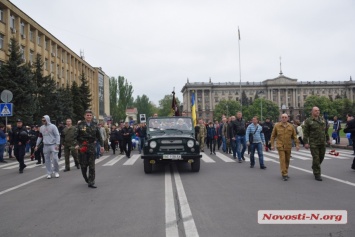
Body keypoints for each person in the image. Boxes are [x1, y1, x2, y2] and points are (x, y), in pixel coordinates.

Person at [74, 110, 104, 188]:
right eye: (87, 115)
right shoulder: (80, 125)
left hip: (91, 146)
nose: (89, 117)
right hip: (82, 146)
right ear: (84, 116)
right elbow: (75, 137)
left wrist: (102, 146)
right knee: (83, 165)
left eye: (90, 115)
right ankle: (86, 178)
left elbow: (99, 136)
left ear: (92, 116)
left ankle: (91, 182)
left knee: (92, 165)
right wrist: (76, 144)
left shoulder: (94, 125)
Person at [303, 107, 330, 181]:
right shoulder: (308, 121)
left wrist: (328, 139)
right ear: (312, 112)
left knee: (321, 157)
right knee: (316, 158)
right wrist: (305, 142)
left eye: (318, 110)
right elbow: (305, 132)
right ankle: (317, 174)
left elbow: (325, 131)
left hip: (322, 142)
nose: (317, 112)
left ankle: (314, 166)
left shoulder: (322, 119)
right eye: (315, 111)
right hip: (313, 143)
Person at [270, 114, 300, 181]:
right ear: (281, 118)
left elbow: (294, 136)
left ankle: (285, 171)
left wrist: (297, 144)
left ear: (287, 118)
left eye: (285, 117)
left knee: (287, 160)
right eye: (283, 117)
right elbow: (273, 136)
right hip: (280, 145)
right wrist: (272, 145)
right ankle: (284, 174)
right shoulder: (277, 126)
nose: (284, 118)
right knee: (282, 159)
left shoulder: (291, 126)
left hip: (288, 146)